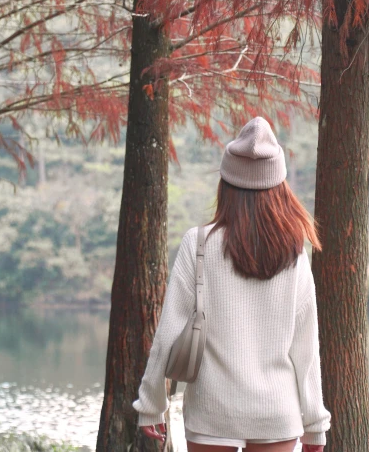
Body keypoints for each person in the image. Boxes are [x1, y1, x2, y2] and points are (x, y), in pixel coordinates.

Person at [132, 116, 332, 452]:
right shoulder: (295, 251)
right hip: (276, 413)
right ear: (279, 186)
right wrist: (314, 426)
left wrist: (151, 404)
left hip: (213, 413)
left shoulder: (197, 244)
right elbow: (306, 349)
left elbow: (167, 334)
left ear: (225, 183)